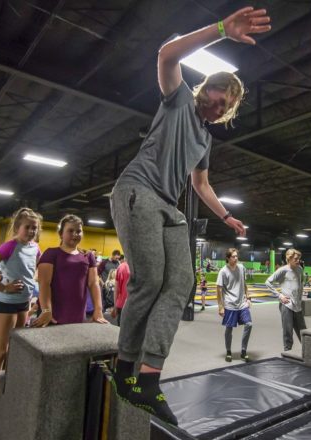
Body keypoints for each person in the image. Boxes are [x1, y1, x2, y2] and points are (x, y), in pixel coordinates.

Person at [107, 7, 269, 425]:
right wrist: (220, 30)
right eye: (220, 97)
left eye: (228, 106)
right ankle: (124, 368)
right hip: (137, 191)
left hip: (168, 206)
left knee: (180, 283)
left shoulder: (204, 139)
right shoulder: (177, 99)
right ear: (206, 89)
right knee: (149, 280)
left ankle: (147, 377)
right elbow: (166, 55)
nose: (220, 107)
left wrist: (228, 217)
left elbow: (202, 186)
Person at [0, 207, 42, 409]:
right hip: (5, 303)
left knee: (15, 352)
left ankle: (5, 390)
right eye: (27, 227)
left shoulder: (36, 247)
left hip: (23, 304)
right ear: (17, 227)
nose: (31, 231)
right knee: (0, 352)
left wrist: (33, 295)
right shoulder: (9, 246)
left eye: (35, 228)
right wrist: (3, 286)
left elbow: (34, 271)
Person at [33, 215, 107, 327]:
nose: (75, 234)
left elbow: (93, 283)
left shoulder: (88, 256)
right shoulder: (50, 253)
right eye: (70, 230)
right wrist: (46, 310)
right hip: (52, 316)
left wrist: (98, 309)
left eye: (79, 231)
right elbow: (44, 283)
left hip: (78, 315)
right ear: (61, 234)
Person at [266, 248, 306, 351]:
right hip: (286, 305)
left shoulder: (300, 269)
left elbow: (301, 283)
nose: (298, 261)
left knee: (303, 331)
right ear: (289, 258)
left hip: (297, 305)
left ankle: (308, 351)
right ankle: (288, 351)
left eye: (299, 259)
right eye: (296, 259)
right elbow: (268, 282)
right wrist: (280, 296)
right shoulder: (283, 270)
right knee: (288, 331)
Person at [217, 248, 252, 362]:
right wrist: (221, 307)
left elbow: (244, 283)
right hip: (230, 304)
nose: (236, 258)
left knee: (249, 324)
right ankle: (228, 351)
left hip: (242, 303)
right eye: (233, 256)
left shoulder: (241, 268)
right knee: (229, 329)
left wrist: (248, 297)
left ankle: (243, 351)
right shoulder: (223, 271)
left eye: (237, 256)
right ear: (228, 258)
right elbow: (218, 290)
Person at [113, 255, 129, 326]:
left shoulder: (121, 267)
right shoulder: (141, 267)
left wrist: (115, 307)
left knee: (120, 330)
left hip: (122, 304)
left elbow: (116, 289)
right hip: (136, 305)